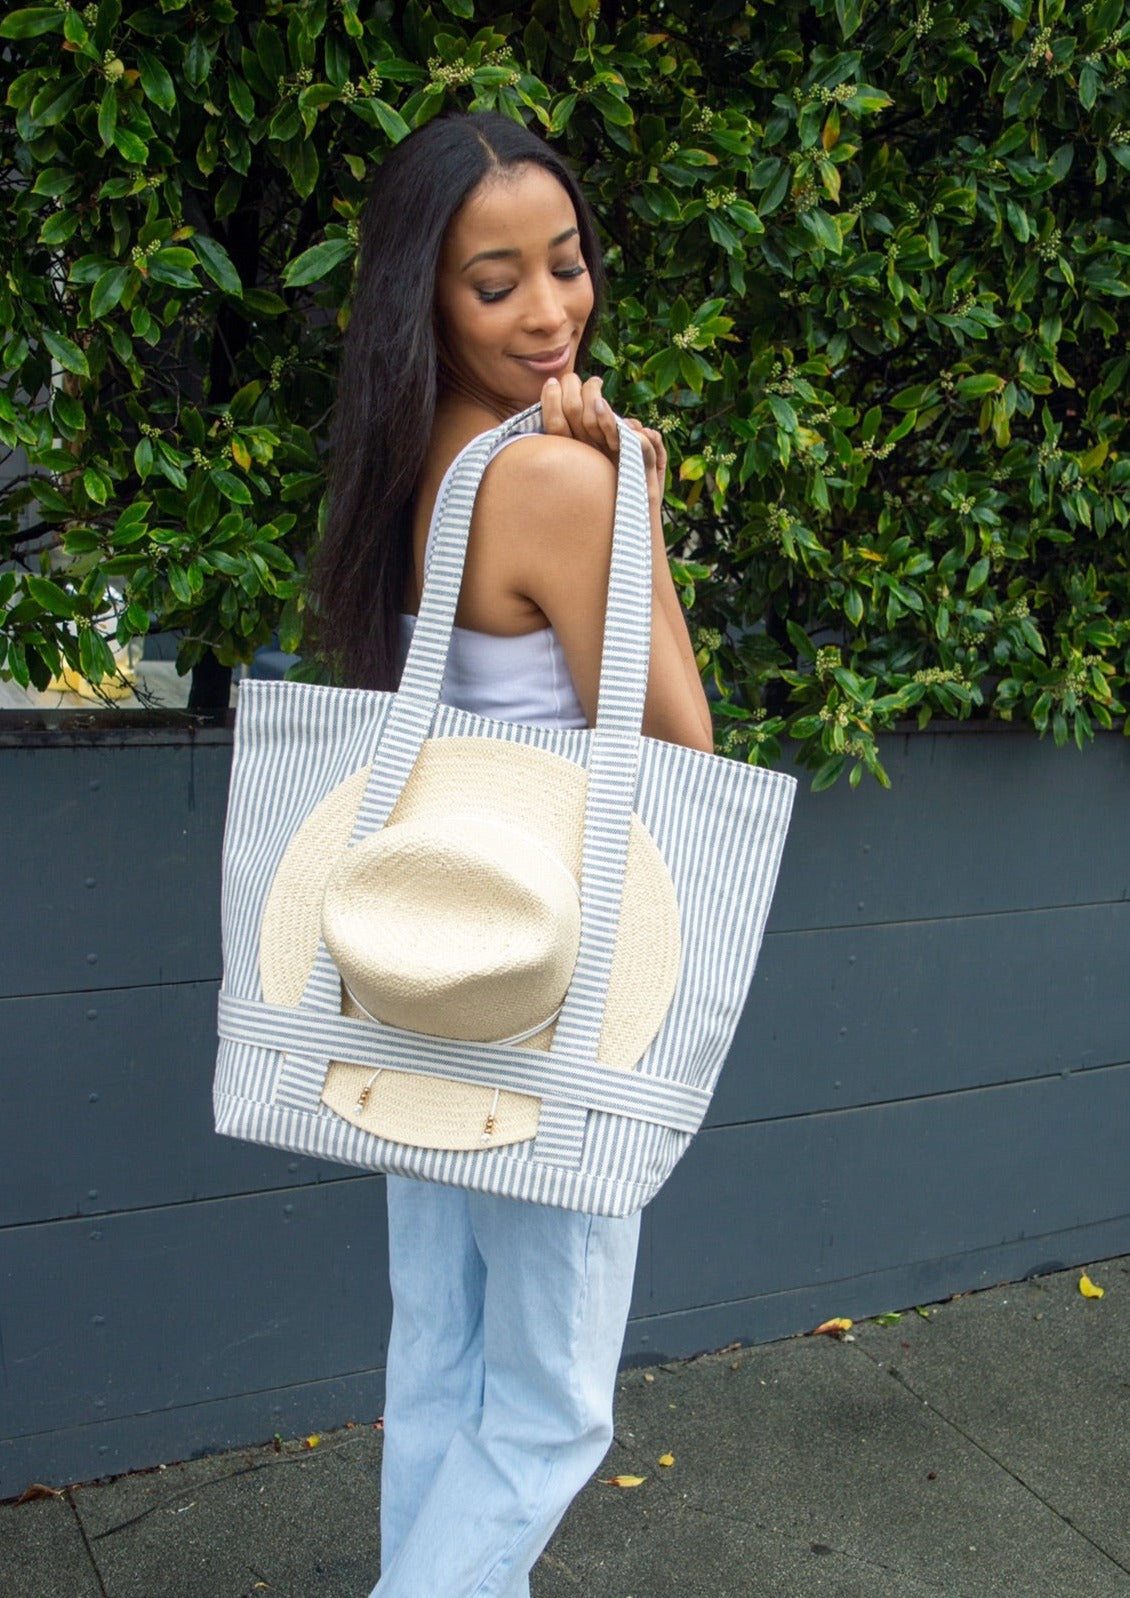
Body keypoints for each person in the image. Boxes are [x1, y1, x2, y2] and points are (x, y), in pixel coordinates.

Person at [308, 109, 713, 1598]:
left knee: (445, 1354)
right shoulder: (552, 480)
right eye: (498, 283)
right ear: (425, 293)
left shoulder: (417, 458)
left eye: (567, 263)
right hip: (555, 988)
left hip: (427, 980)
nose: (551, 311)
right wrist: (639, 510)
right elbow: (682, 747)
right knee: (547, 1405)